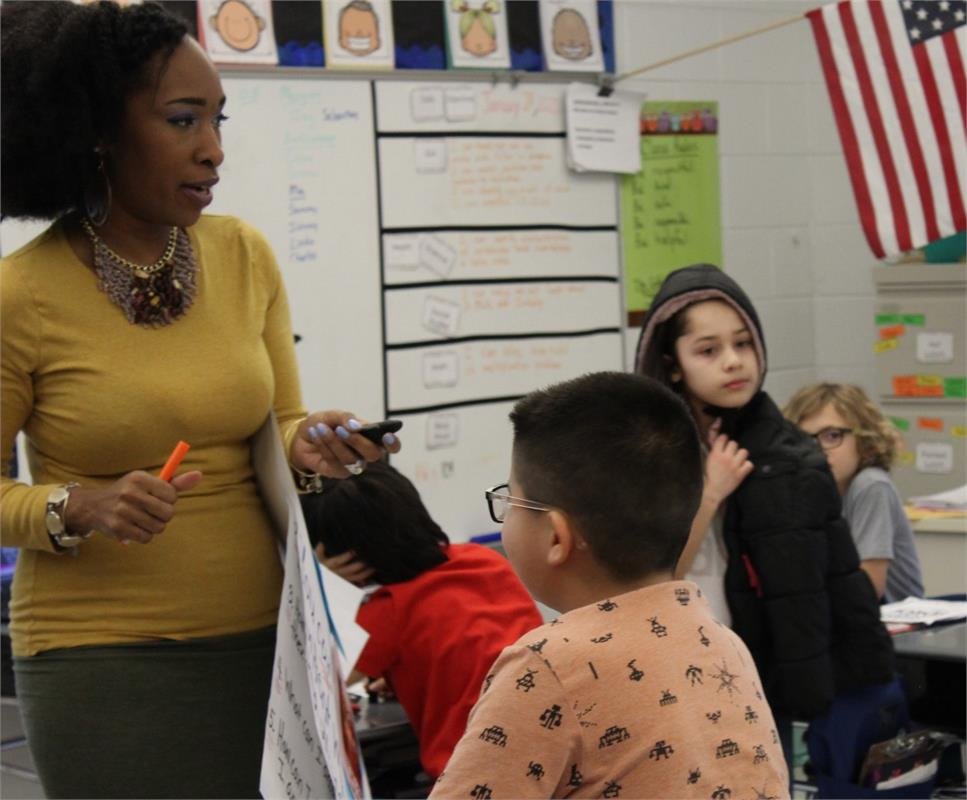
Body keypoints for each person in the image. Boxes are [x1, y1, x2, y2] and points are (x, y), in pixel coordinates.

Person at [0, 2, 399, 797]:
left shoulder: (243, 253)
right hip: (103, 660)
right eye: (183, 120)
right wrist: (79, 507)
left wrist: (310, 440)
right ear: (98, 133)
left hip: (271, 643)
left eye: (218, 119)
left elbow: (278, 421)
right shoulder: (23, 293)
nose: (213, 150)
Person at [430, 372, 790, 800]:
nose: (506, 514)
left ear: (556, 538)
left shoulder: (546, 667)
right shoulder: (724, 643)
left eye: (512, 500)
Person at [632, 264, 895, 734]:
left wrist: (849, 678)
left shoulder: (788, 453)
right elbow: (655, 577)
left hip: (751, 675)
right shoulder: (649, 454)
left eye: (743, 343)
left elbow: (826, 583)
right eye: (708, 350)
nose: (733, 361)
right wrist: (710, 492)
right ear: (671, 363)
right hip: (674, 662)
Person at [302, 461, 544, 780]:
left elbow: (313, 685)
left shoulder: (385, 611)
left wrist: (320, 586)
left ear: (350, 560)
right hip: (550, 750)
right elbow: (467, 647)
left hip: (472, 776)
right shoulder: (483, 560)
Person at [784, 383, 924, 603]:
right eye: (805, 439)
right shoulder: (813, 491)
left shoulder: (870, 485)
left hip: (896, 626)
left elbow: (869, 588)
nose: (818, 450)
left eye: (832, 436)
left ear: (865, 438)